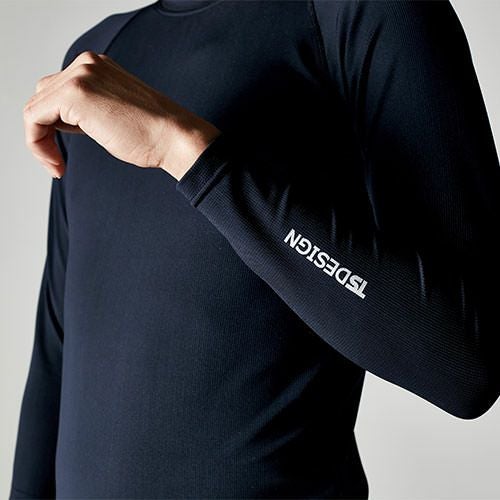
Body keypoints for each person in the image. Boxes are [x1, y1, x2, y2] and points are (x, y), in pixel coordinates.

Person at [9, 0, 500, 498]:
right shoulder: (98, 61)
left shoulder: (365, 15)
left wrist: (182, 149)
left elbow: (464, 364)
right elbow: (56, 357)